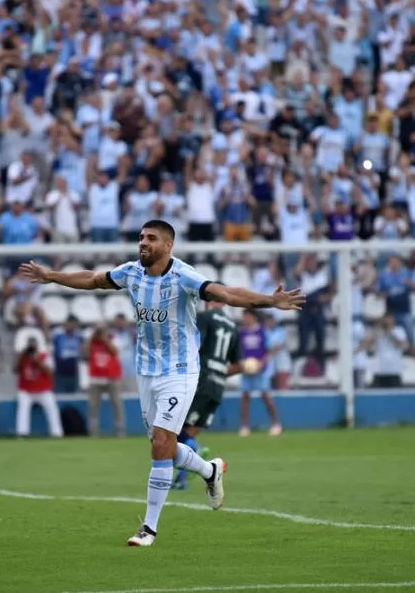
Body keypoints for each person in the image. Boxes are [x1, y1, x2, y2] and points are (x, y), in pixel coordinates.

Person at [19, 219, 305, 547]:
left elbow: (225, 292)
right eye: (141, 237)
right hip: (146, 371)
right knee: (163, 447)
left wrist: (270, 301)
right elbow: (94, 279)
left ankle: (149, 529)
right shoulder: (131, 272)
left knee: (161, 444)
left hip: (180, 370)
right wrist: (52, 276)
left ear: (168, 246)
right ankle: (210, 471)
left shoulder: (183, 276)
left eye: (151, 238)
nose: (143, 242)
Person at [174, 299, 242, 491]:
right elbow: (238, 365)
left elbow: (194, 347)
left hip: (201, 380)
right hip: (218, 386)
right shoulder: (233, 327)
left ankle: (197, 450)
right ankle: (181, 479)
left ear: (210, 301)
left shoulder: (205, 317)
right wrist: (219, 371)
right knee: (190, 430)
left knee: (176, 430)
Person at [238, 309, 283, 437]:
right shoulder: (241, 332)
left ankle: (276, 424)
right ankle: (244, 426)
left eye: (247, 316)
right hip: (246, 369)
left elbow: (269, 350)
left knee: (266, 396)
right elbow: (238, 350)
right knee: (245, 397)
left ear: (253, 317)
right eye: (244, 317)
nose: (244, 319)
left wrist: (262, 362)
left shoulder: (263, 331)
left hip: (261, 370)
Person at [15, 339, 64, 438]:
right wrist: (21, 357)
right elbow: (15, 370)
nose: (32, 347)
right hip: (26, 390)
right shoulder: (23, 356)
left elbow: (50, 371)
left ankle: (57, 433)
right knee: (23, 408)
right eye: (30, 345)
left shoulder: (45, 355)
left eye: (34, 345)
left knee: (52, 409)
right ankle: (22, 432)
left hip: (43, 390)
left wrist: (38, 361)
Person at [85, 325, 125, 437]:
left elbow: (115, 351)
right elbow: (84, 353)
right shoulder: (92, 342)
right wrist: (92, 338)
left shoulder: (114, 338)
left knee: (117, 404)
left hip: (112, 377)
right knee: (92, 406)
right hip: (95, 378)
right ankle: (93, 431)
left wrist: (105, 340)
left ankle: (119, 430)